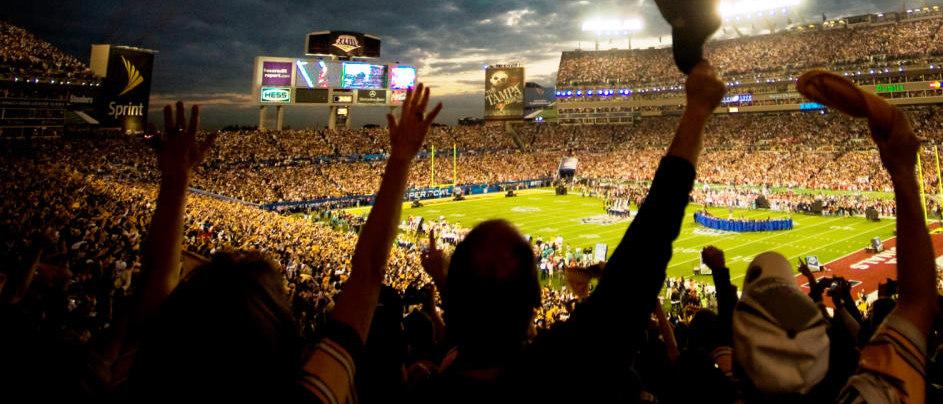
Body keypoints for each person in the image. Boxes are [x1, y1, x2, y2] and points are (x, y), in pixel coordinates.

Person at [421, 59, 726, 400]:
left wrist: (441, 281)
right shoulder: (558, 369)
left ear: (457, 304)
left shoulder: (424, 387)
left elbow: (467, 323)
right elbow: (643, 255)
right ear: (536, 298)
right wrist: (697, 111)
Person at [121, 86, 442, 402]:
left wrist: (176, 179)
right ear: (280, 331)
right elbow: (369, 271)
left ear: (173, 323)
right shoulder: (308, 394)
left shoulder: (137, 378)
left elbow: (153, 282)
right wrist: (400, 159)